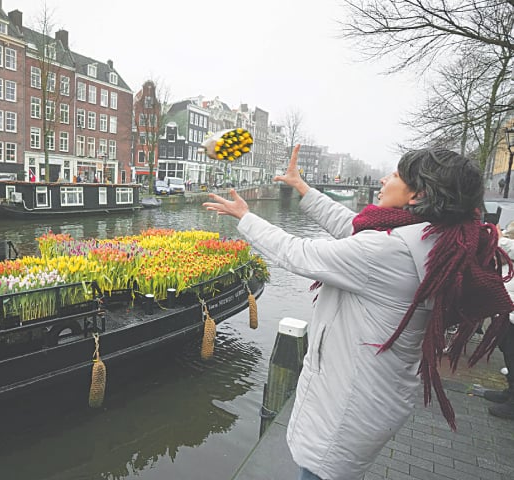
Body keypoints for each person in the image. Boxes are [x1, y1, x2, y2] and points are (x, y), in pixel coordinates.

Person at [203, 145, 513, 480]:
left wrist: (245, 218)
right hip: (376, 396)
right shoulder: (430, 236)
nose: (383, 178)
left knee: (320, 471)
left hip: (346, 405)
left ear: (418, 194)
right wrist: (304, 188)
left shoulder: (390, 249)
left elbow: (299, 253)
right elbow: (354, 227)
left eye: (395, 174)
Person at [486, 221, 514, 419]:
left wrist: (498, 237)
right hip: (508, 308)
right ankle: (510, 392)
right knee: (507, 349)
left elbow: (506, 247)